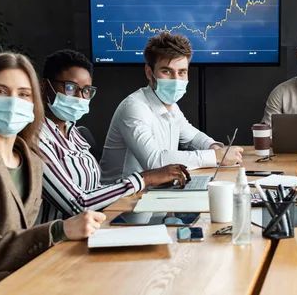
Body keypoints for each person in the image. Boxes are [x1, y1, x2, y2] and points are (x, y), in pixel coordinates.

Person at [0, 53, 105, 294]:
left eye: (23, 94)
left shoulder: (31, 160)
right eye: (0, 91)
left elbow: (18, 239)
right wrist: (59, 230)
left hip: (24, 278)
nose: (13, 102)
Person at [38, 50, 191, 222]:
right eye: (71, 88)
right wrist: (146, 178)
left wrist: (155, 188)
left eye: (87, 90)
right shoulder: (37, 139)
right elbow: (79, 204)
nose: (80, 97)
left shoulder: (73, 133)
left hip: (90, 232)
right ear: (44, 87)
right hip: (56, 244)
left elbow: (95, 190)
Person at [100, 32, 243, 183]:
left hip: (153, 191)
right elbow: (155, 162)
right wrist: (216, 156)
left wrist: (213, 146)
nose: (176, 80)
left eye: (182, 72)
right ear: (149, 73)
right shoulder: (134, 108)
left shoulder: (171, 106)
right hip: (121, 198)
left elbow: (192, 137)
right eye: (167, 71)